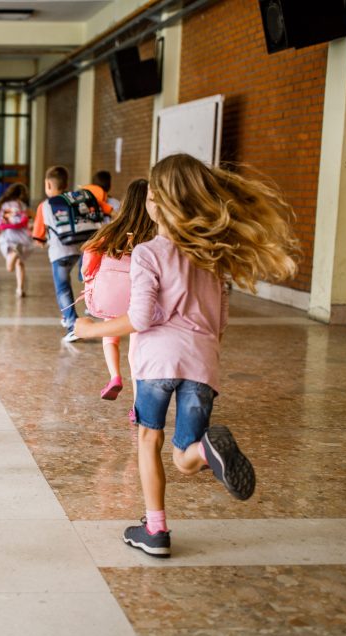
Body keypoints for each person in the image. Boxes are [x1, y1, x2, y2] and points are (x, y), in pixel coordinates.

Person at [74, 153, 298, 558]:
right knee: (183, 456)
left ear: (156, 203)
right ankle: (205, 451)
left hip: (157, 363)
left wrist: (92, 329)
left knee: (149, 438)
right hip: (202, 363)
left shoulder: (148, 252)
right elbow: (221, 323)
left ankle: (156, 530)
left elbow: (141, 317)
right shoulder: (214, 257)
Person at [80, 179, 157, 401]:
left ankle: (115, 377)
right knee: (135, 349)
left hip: (113, 296)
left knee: (109, 336)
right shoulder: (152, 234)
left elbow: (90, 255)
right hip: (139, 299)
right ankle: (137, 403)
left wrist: (89, 275)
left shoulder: (112, 231)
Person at [31, 166, 84, 341]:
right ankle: (67, 316)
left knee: (62, 289)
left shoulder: (45, 206)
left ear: (48, 184)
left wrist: (41, 241)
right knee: (67, 283)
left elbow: (38, 237)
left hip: (59, 253)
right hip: (77, 250)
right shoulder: (73, 200)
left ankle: (72, 325)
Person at [0, 183, 33, 297]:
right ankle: (20, 289)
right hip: (23, 237)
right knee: (20, 263)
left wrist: (0, 236)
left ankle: (14, 252)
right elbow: (34, 217)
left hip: (9, 237)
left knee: (10, 268)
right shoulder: (22, 205)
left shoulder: (5, 205)